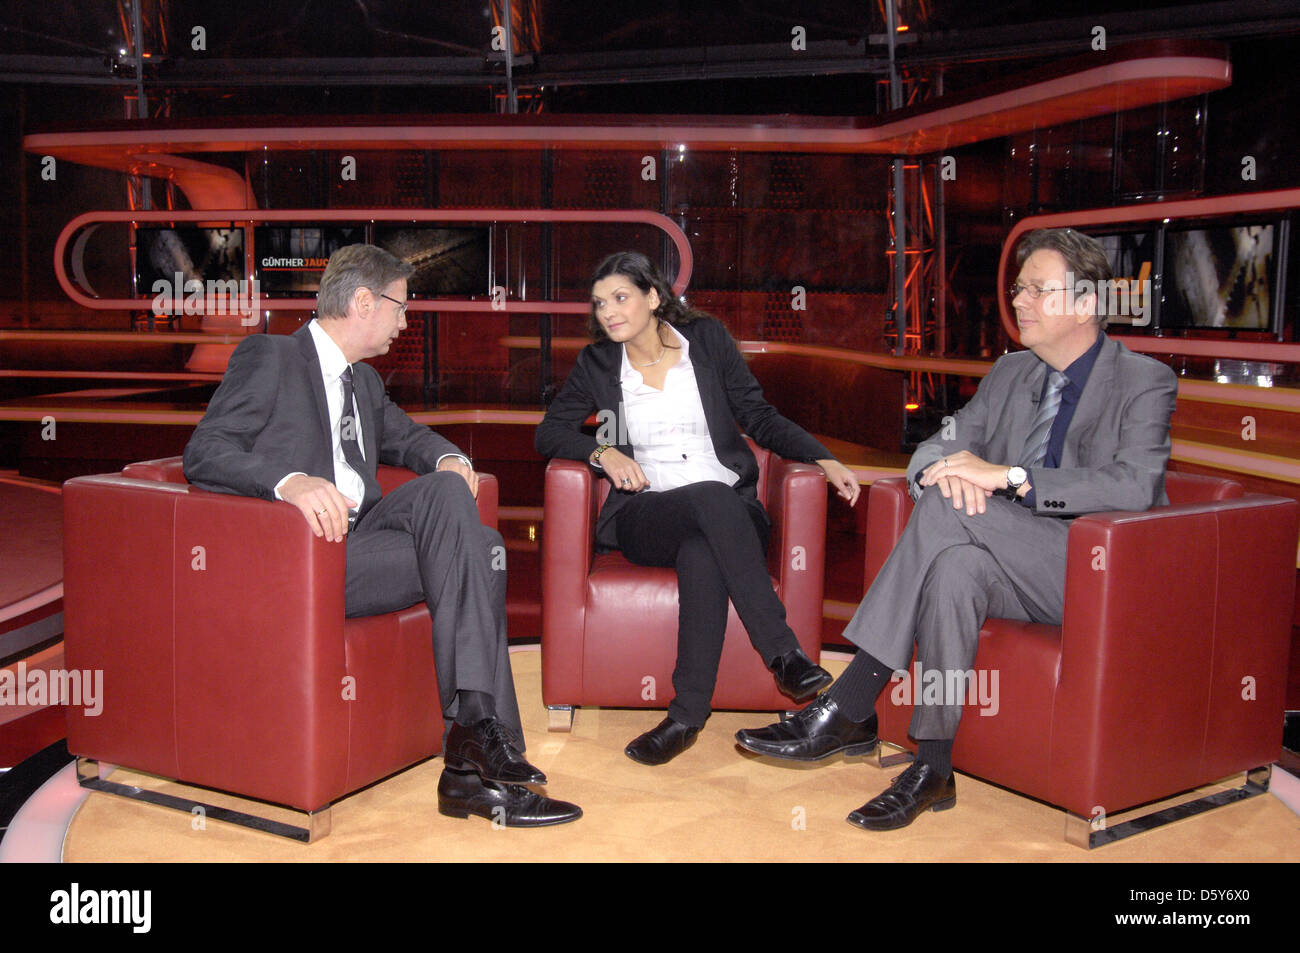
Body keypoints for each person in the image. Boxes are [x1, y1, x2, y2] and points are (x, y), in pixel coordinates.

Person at [736, 227, 1178, 831]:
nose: (1018, 301)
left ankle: (852, 704)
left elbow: (1134, 486)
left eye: (1036, 290)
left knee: (949, 509)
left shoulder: (1144, 381)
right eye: (1018, 288)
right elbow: (934, 448)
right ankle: (933, 767)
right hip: (999, 559)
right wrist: (948, 473)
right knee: (953, 569)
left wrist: (1011, 478)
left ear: (1085, 304)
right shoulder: (1011, 374)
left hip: (1089, 568)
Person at [183, 243, 581, 827]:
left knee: (480, 539)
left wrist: (447, 458)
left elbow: (408, 438)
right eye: (400, 307)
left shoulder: (363, 383)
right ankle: (477, 764)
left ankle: (472, 749)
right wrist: (288, 481)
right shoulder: (269, 357)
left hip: (364, 548)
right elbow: (205, 451)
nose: (403, 322)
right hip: (307, 560)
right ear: (364, 302)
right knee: (482, 548)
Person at [535, 251, 861, 765]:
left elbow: (758, 414)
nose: (609, 312)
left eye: (620, 298)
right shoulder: (598, 363)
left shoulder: (706, 341)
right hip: (648, 515)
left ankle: (686, 715)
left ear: (653, 297)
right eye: (600, 304)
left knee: (704, 545)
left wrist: (821, 455)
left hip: (732, 515)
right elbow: (549, 433)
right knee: (708, 500)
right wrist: (604, 451)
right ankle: (783, 652)